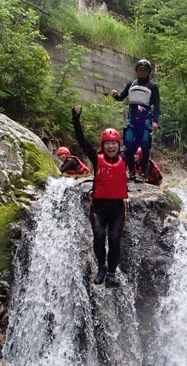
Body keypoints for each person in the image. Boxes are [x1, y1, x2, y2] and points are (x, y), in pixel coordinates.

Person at [72, 105, 127, 287]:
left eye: (114, 143)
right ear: (102, 146)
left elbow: (139, 144)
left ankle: (111, 274)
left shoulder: (125, 159)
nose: (111, 146)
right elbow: (81, 140)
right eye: (107, 143)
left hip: (118, 207)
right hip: (98, 207)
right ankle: (101, 267)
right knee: (98, 235)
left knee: (114, 239)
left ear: (119, 146)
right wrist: (76, 119)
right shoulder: (97, 159)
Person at [110, 58, 160, 183]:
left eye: (145, 70)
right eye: (140, 70)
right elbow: (121, 97)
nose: (142, 72)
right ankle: (131, 171)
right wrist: (115, 95)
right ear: (137, 71)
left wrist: (155, 121)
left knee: (144, 145)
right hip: (132, 117)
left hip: (145, 118)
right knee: (129, 144)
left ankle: (143, 173)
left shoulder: (153, 86)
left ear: (148, 72)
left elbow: (157, 105)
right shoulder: (131, 84)